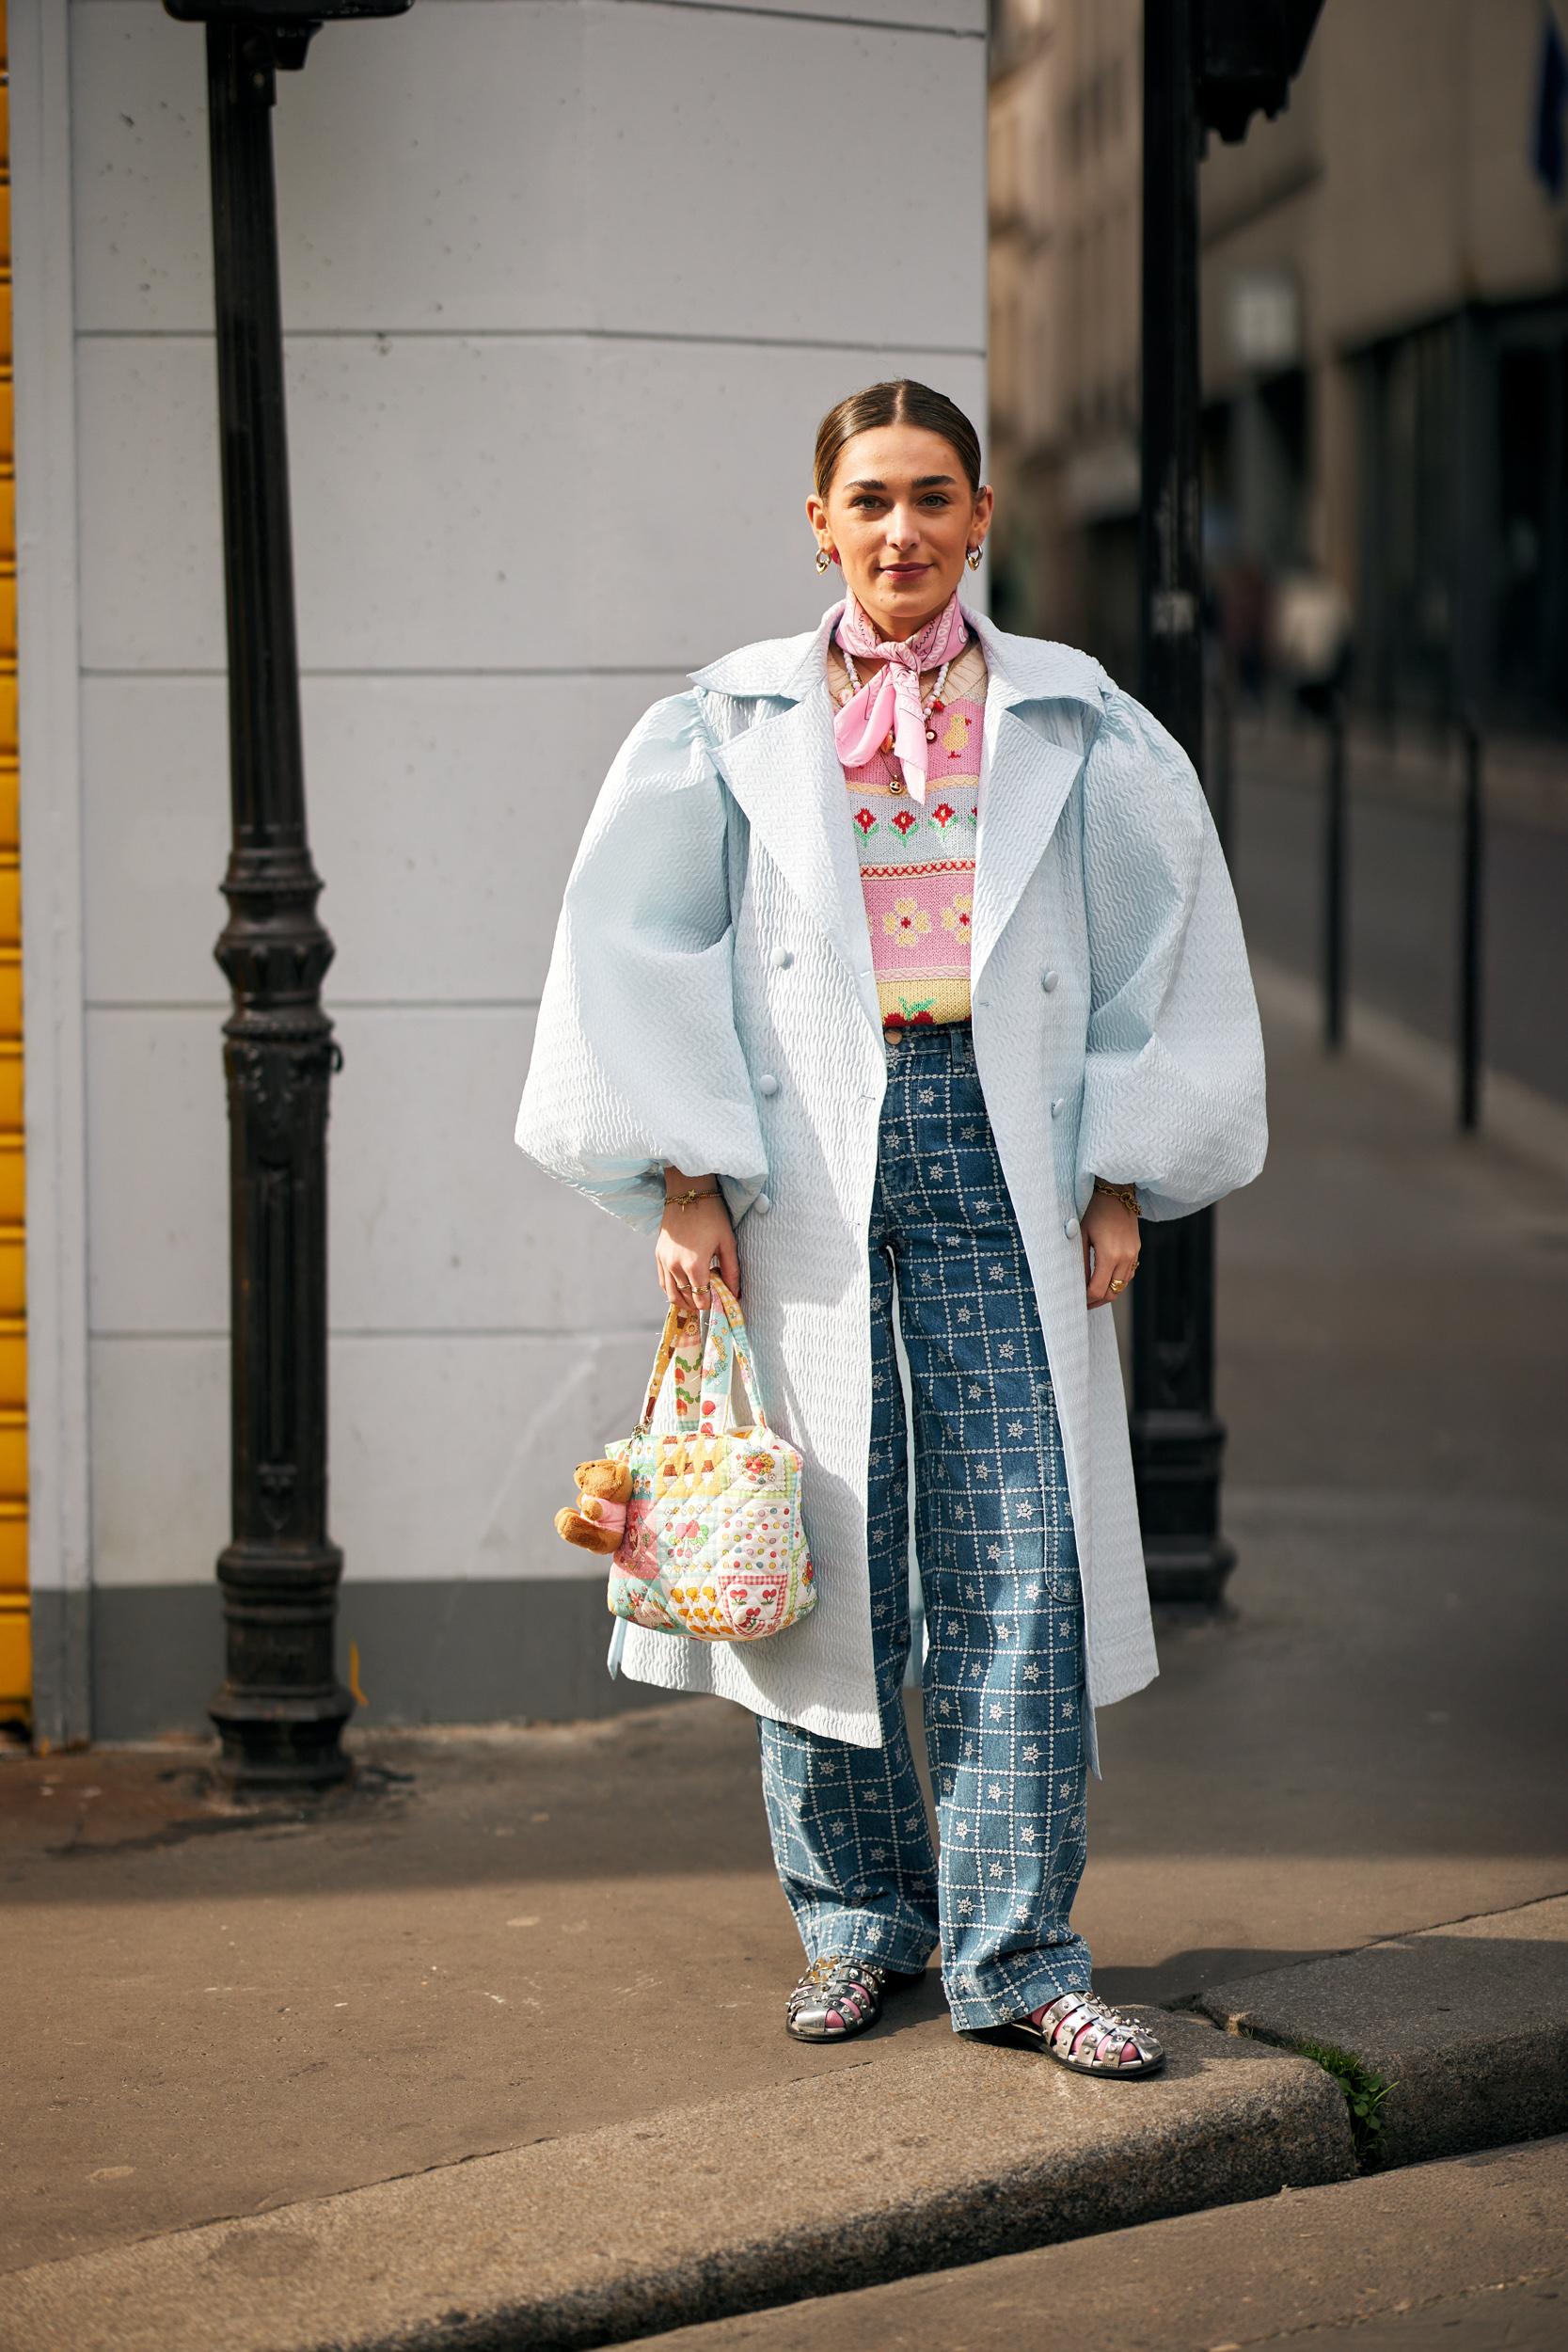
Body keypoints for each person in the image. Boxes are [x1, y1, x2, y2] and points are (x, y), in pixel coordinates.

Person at [517, 381, 1266, 2075]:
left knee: (1023, 1559)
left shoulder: (1080, 724)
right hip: (803, 1166)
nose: (903, 532)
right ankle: (860, 1926)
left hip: (1007, 1151)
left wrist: (1124, 1166)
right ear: (818, 523)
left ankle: (1018, 1953)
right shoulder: (723, 727)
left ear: (983, 517)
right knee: (819, 1558)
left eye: (935, 498)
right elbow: (636, 950)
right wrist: (685, 1176)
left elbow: (1167, 939)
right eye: (869, 501)